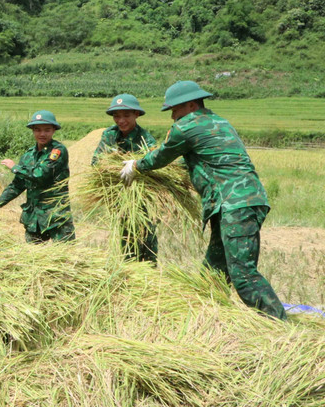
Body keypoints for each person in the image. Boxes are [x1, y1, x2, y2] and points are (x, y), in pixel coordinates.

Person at [120, 81, 286, 320]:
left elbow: (162, 156)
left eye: (174, 110)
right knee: (213, 271)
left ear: (191, 105)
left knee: (243, 275)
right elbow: (203, 158)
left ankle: (280, 325)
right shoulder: (220, 122)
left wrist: (136, 165)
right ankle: (212, 321)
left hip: (235, 204)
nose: (173, 116)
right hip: (238, 202)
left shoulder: (186, 126)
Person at [0, 110, 75, 243]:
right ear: (32, 130)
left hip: (56, 216)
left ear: (54, 130)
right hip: (34, 218)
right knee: (32, 254)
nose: (42, 134)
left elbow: (41, 174)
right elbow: (18, 185)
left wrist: (15, 167)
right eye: (37, 130)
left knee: (66, 253)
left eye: (47, 130)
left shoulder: (58, 151)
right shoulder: (28, 155)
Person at [93, 94, 158, 262]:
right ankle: (129, 270)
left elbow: (155, 167)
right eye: (116, 116)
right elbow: (95, 163)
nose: (121, 121)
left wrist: (136, 168)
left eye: (126, 115)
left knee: (147, 238)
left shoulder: (146, 139)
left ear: (136, 114)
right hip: (119, 197)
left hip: (142, 199)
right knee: (126, 239)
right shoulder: (109, 135)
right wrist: (113, 166)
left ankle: (149, 271)